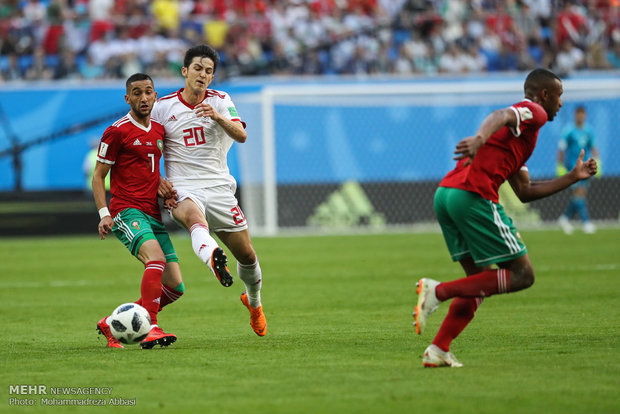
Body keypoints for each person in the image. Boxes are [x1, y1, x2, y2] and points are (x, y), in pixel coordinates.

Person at [413, 68, 598, 367]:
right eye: (560, 96)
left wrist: (573, 177)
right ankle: (438, 291)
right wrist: (478, 139)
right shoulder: (533, 111)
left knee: (480, 283)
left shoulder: (521, 138)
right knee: (523, 275)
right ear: (545, 95)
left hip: (446, 195)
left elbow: (525, 191)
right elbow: (501, 114)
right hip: (472, 195)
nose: (561, 104)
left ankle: (438, 349)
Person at [151, 44, 266, 336]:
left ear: (213, 77)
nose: (203, 75)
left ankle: (254, 304)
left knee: (249, 257)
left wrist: (217, 117)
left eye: (209, 71)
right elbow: (149, 149)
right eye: (198, 69)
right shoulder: (163, 107)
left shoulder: (220, 100)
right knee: (193, 218)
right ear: (185, 71)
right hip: (183, 185)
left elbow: (241, 135)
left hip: (219, 187)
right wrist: (158, 180)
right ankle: (213, 257)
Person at [93, 73, 184, 349]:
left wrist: (163, 187)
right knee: (154, 259)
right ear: (127, 98)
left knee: (175, 287)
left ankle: (111, 323)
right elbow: (98, 176)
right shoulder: (117, 131)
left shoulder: (158, 129)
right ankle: (152, 327)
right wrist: (104, 213)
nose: (143, 98)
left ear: (155, 95)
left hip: (152, 213)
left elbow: (148, 171)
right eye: (137, 93)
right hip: (126, 210)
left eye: (148, 92)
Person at [557, 105, 599, 234]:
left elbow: (593, 147)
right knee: (579, 192)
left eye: (582, 114)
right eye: (578, 114)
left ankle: (565, 218)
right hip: (572, 166)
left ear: (585, 115)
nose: (580, 116)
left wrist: (598, 163)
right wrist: (560, 166)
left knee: (580, 194)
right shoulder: (569, 130)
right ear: (575, 115)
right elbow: (562, 148)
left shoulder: (588, 131)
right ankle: (586, 222)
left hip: (585, 167)